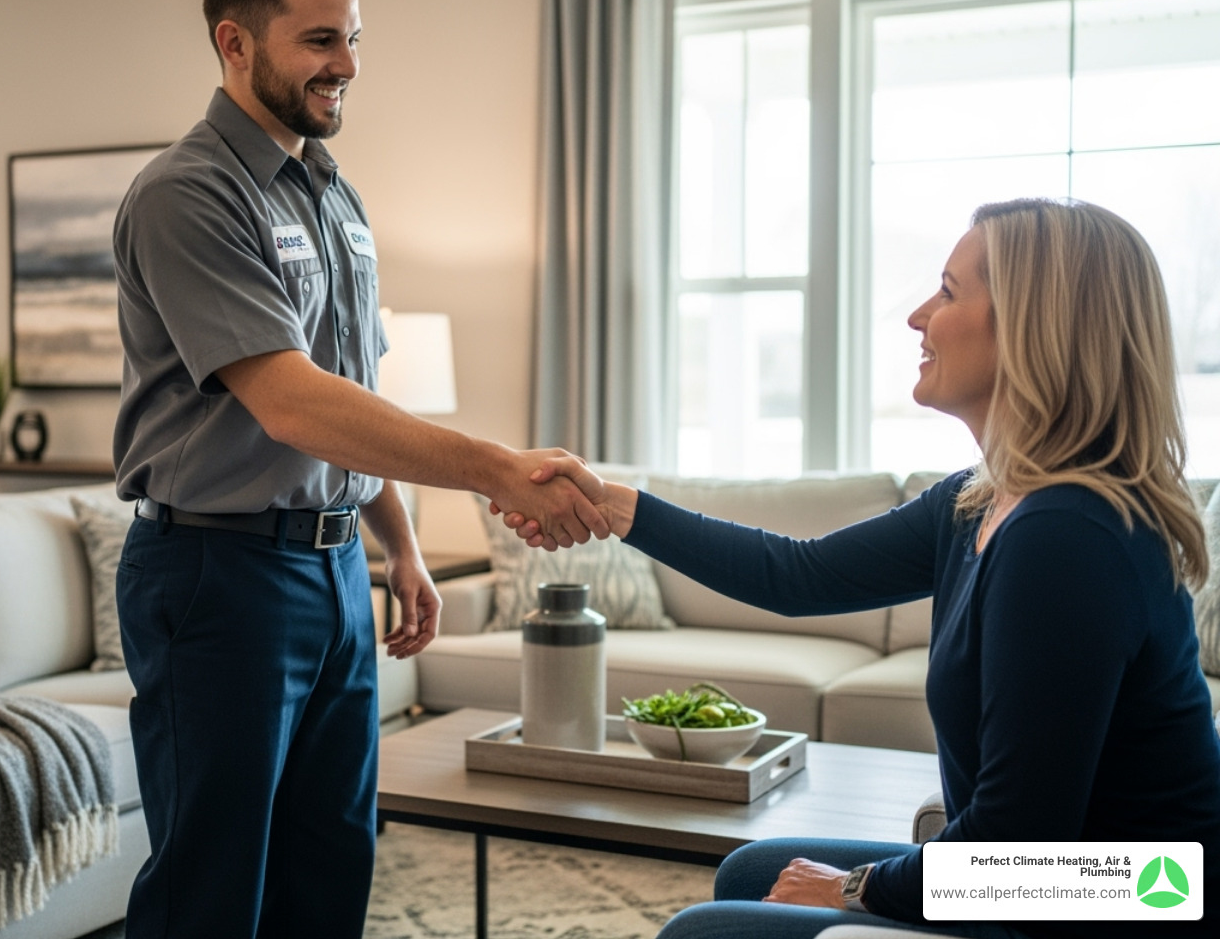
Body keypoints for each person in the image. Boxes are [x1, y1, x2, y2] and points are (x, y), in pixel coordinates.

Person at [503, 198, 1220, 939]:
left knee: (703, 932)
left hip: (1119, 904)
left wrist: (855, 889)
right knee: (752, 871)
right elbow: (798, 576)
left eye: (948, 292)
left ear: (1031, 327)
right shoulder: (980, 499)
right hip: (1039, 885)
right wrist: (617, 507)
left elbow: (1016, 854)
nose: (917, 316)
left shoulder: (1068, 537)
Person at [110, 0, 605, 938]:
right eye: (320, 40)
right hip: (219, 575)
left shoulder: (337, 197)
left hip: (334, 575)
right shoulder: (187, 194)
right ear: (236, 43)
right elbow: (294, 402)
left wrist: (400, 547)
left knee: (332, 865)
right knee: (212, 888)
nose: (347, 64)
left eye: (354, 38)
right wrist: (494, 469)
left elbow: (354, 395)